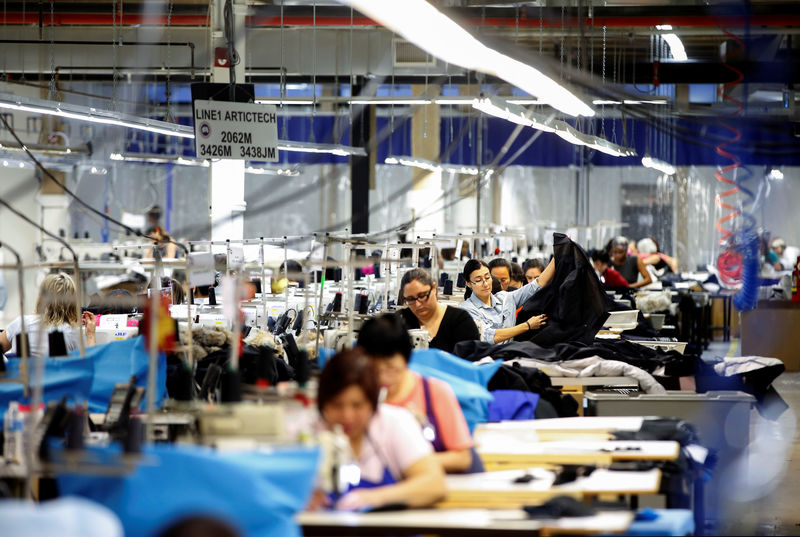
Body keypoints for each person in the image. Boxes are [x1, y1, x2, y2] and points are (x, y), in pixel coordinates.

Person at [315, 348, 446, 511]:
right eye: (337, 405)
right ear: (323, 403)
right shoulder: (309, 431)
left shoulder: (395, 422)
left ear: (373, 402)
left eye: (357, 405)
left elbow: (434, 484)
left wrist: (375, 497)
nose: (347, 416)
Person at [357, 314, 480, 474]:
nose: (382, 374)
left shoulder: (435, 392)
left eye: (389, 364)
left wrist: (409, 461)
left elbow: (463, 458)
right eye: (374, 366)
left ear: (405, 356)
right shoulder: (359, 398)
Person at [460, 258, 554, 345]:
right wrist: (527, 325)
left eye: (488, 277)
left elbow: (537, 284)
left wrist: (559, 253)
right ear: (468, 283)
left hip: (508, 355)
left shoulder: (505, 298)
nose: (485, 284)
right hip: (487, 359)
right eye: (478, 280)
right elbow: (489, 336)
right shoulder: (466, 310)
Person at [0, 273, 95, 357]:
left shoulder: (20, 323)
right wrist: (90, 335)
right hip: (56, 377)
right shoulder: (71, 333)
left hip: (21, 376)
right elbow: (91, 365)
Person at [398, 268, 479, 354]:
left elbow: (473, 363)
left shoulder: (461, 321)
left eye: (422, 296)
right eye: (410, 299)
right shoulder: (398, 321)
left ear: (434, 288)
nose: (417, 304)